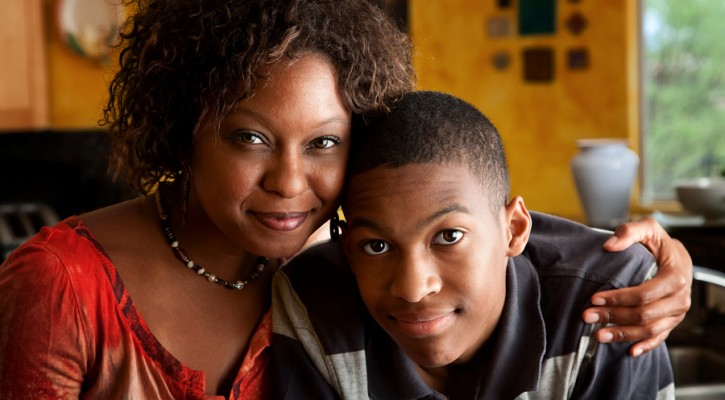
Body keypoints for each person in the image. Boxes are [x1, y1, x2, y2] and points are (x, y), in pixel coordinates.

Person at [0, 0, 688, 398]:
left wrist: (646, 268)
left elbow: (470, 231)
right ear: (184, 132)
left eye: (324, 144)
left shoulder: (345, 254)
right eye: (249, 139)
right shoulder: (61, 284)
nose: (290, 183)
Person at [270, 91, 675, 399]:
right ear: (347, 249)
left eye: (448, 237)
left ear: (513, 230)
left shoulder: (611, 301)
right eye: (376, 246)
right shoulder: (313, 305)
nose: (413, 288)